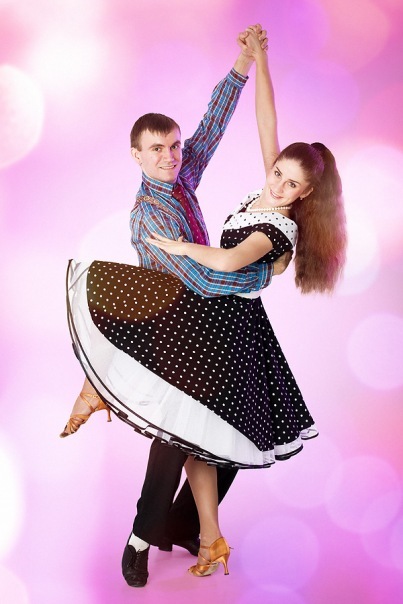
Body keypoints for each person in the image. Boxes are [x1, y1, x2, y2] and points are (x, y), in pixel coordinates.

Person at [61, 25, 291, 588]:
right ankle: (140, 539)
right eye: (156, 149)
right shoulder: (149, 214)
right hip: (176, 325)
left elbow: (211, 126)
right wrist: (265, 270)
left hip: (211, 321)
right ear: (136, 155)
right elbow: (202, 278)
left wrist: (242, 64)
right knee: (175, 439)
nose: (168, 156)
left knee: (234, 428)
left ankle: (187, 525)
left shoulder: (183, 174)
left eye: (173, 146)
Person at [143, 25, 347, 577]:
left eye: (290, 185)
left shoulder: (279, 226)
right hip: (217, 319)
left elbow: (232, 261)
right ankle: (201, 534)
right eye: (277, 173)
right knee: (203, 436)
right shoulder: (268, 189)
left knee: (205, 436)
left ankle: (207, 536)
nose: (277, 185)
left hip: (232, 331)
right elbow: (266, 121)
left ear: (305, 194)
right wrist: (259, 60)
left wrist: (180, 247)